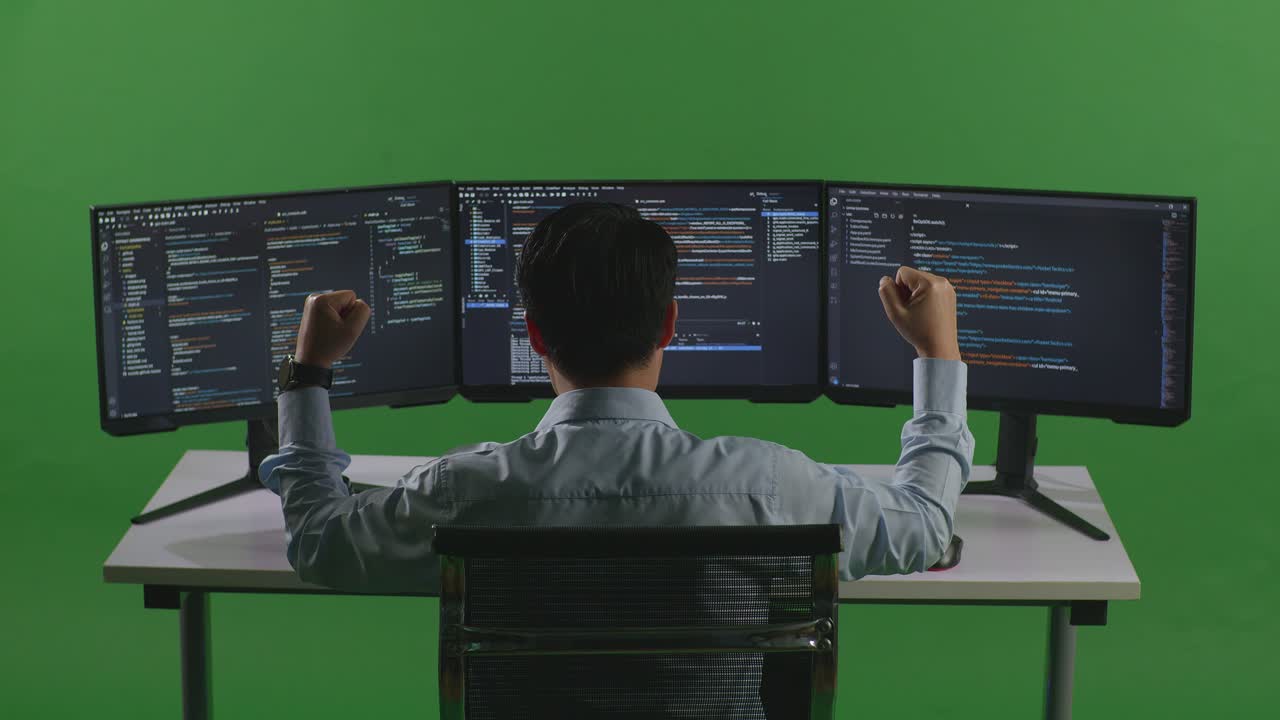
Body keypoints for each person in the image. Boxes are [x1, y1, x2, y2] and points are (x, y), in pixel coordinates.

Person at [260, 202, 974, 594]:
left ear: (534, 333)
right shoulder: (770, 484)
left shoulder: (463, 492)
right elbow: (926, 524)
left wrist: (309, 373)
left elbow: (319, 543)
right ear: (670, 324)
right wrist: (938, 354)